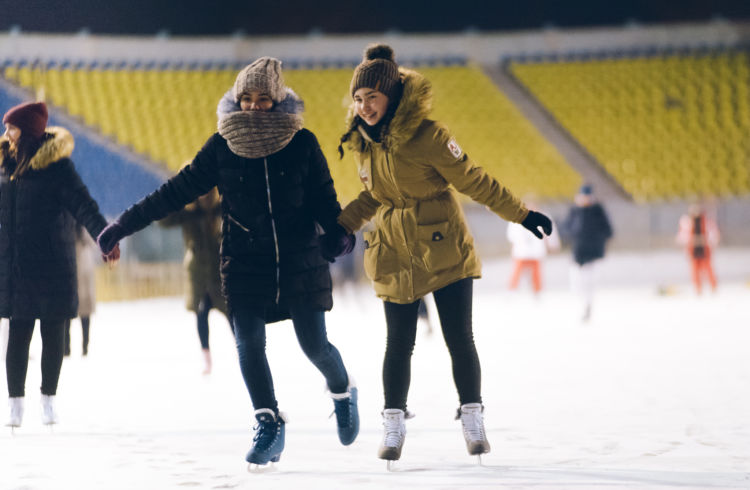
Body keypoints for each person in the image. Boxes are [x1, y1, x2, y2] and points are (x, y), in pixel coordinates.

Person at [97, 57, 359, 465]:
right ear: (237, 100)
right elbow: (173, 191)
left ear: (278, 99)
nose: (254, 106)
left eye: (263, 99)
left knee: (315, 346)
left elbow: (326, 203)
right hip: (244, 263)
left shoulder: (302, 142)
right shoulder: (222, 146)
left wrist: (340, 237)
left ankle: (343, 390)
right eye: (247, 98)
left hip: (299, 261)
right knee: (248, 343)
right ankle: (268, 422)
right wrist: (122, 225)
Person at [334, 44, 552, 463]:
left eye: (372, 97)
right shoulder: (362, 143)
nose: (363, 107)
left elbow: (474, 180)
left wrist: (520, 215)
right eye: (358, 99)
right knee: (398, 343)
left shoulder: (428, 136)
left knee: (458, 338)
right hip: (394, 251)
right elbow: (373, 196)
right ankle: (393, 424)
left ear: (392, 95)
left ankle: (473, 418)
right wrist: (341, 226)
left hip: (442, 246)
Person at [1, 101, 118, 428]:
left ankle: (48, 399)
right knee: (18, 334)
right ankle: (15, 404)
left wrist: (105, 237)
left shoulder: (58, 168)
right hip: (18, 266)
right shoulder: (4, 165)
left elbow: (85, 206)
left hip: (54, 263)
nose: (6, 134)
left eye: (11, 128)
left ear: (28, 132)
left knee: (53, 335)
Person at [160, 185, 230, 374]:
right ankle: (206, 358)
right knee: (202, 313)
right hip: (200, 273)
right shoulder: (189, 212)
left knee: (233, 315)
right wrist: (177, 195)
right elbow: (164, 221)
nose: (204, 194)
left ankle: (245, 352)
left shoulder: (222, 207)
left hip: (221, 272)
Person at [560, 184, 613, 322]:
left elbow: (608, 231)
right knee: (576, 283)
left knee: (590, 282)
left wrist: (598, 240)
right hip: (578, 253)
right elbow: (566, 229)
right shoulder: (575, 211)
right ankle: (583, 304)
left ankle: (587, 306)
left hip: (593, 253)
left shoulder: (598, 211)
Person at [506, 197, 560, 295]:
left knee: (536, 274)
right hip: (522, 252)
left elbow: (550, 233)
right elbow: (512, 235)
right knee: (517, 274)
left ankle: (537, 292)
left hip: (536, 252)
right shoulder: (517, 217)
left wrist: (553, 245)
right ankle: (512, 291)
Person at [64, 224, 98, 357]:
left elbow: (94, 242)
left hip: (81, 273)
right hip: (73, 273)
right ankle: (67, 347)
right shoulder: (70, 228)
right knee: (68, 314)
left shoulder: (84, 229)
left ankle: (83, 346)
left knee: (82, 314)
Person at [676, 203, 719, 294]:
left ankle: (713, 287)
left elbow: (714, 235)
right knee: (695, 270)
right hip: (693, 251)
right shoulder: (687, 223)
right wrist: (692, 241)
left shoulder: (707, 222)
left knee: (708, 269)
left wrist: (705, 241)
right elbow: (682, 237)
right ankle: (698, 288)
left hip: (705, 250)